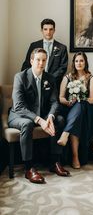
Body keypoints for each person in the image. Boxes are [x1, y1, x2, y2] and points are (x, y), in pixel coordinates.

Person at [8, 48, 70, 184]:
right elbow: (19, 106)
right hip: (19, 115)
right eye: (38, 60)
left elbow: (55, 102)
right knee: (27, 123)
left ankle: (55, 162)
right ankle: (29, 168)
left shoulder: (50, 78)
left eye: (43, 60)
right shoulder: (20, 77)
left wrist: (50, 117)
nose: (41, 63)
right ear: (31, 61)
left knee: (59, 120)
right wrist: (39, 120)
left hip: (42, 115)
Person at [57, 52, 93, 168]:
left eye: (81, 61)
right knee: (76, 115)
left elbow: (92, 99)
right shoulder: (67, 77)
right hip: (70, 108)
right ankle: (75, 156)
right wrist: (69, 102)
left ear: (85, 62)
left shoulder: (91, 78)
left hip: (88, 110)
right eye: (76, 61)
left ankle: (66, 135)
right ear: (73, 63)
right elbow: (61, 98)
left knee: (80, 105)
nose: (79, 63)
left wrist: (80, 98)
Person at [21, 18, 68, 89]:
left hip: (54, 84)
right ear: (41, 30)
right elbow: (27, 63)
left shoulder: (62, 48)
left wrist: (50, 79)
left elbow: (63, 68)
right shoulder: (34, 46)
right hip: (35, 83)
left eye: (51, 29)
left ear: (54, 30)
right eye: (45, 29)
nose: (48, 32)